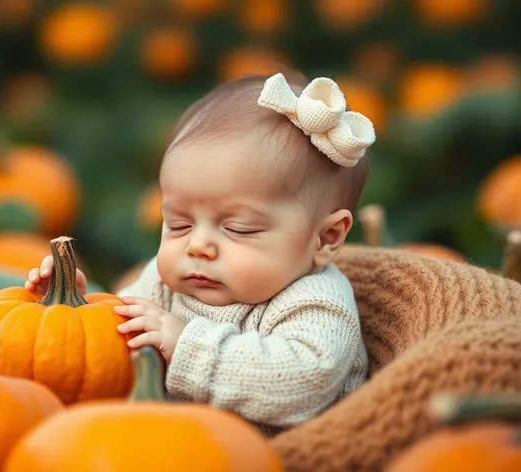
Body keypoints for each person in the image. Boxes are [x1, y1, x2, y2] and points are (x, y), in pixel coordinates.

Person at [25, 68, 376, 437]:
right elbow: (119, 334)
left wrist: (185, 345)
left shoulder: (315, 303)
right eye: (178, 225)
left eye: (238, 229)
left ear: (325, 239)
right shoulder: (167, 281)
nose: (197, 246)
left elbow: (304, 382)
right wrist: (78, 301)